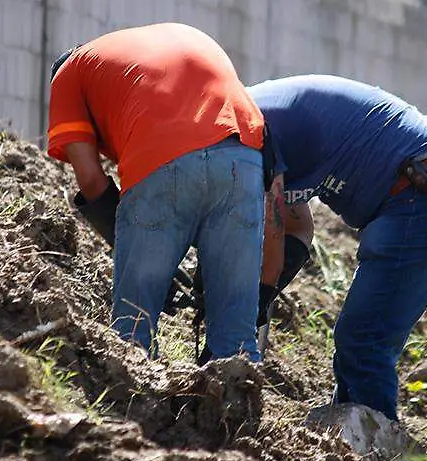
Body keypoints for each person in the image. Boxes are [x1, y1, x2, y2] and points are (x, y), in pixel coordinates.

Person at [249, 74, 427, 422]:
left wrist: (257, 299)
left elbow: (272, 231)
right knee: (362, 339)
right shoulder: (263, 127)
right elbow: (296, 224)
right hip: (416, 187)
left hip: (424, 190)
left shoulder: (251, 131)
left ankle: (373, 458)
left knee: (364, 340)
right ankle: (357, 434)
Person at [45, 22, 270, 362]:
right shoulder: (149, 45)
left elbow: (90, 180)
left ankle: (132, 409)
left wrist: (135, 249)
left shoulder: (68, 73)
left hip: (162, 152)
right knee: (236, 342)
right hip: (244, 152)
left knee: (132, 332)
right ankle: (237, 404)